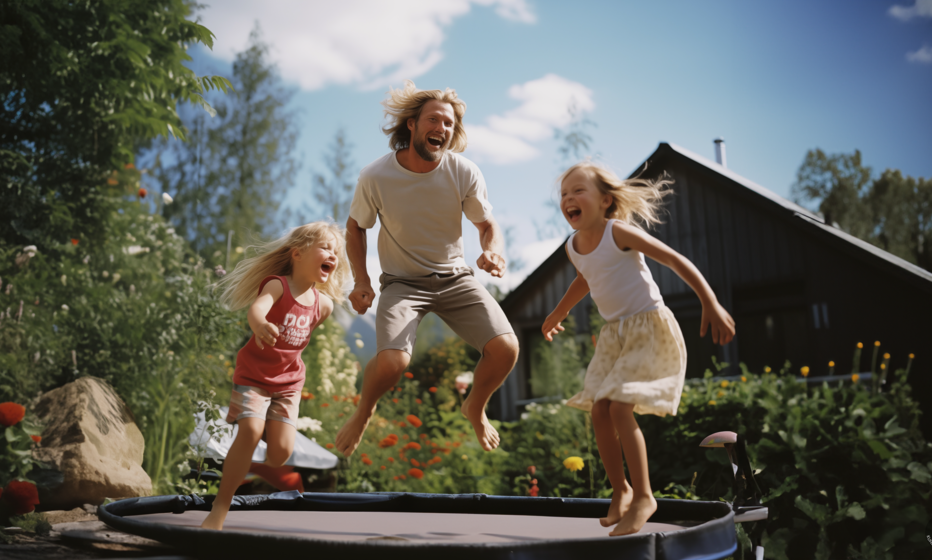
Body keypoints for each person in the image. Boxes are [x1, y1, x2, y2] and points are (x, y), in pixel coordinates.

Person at [542, 161, 735, 536]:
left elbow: (675, 260)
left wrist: (710, 302)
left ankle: (646, 496)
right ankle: (623, 491)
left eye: (578, 190)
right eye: (564, 194)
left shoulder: (620, 232)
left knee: (617, 407)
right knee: (599, 411)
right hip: (615, 336)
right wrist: (556, 312)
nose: (568, 199)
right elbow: (585, 277)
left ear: (605, 200)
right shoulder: (573, 246)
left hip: (648, 328)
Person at [335, 81, 519, 457]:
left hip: (455, 280)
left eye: (449, 123)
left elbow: (487, 225)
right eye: (434, 119)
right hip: (403, 284)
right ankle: (365, 410)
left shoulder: (463, 171)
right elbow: (356, 226)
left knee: (506, 348)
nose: (443, 128)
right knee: (392, 362)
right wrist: (362, 280)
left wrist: (493, 252)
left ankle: (475, 407)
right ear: (412, 125)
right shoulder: (376, 175)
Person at [201, 222, 349, 531]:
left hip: (288, 384)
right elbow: (257, 309)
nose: (332, 256)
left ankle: (241, 462)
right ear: (297, 254)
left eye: (335, 252)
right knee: (251, 431)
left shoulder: (323, 306)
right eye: (325, 248)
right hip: (254, 376)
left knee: (281, 455)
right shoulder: (277, 286)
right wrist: (260, 325)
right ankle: (219, 508)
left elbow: (297, 342)